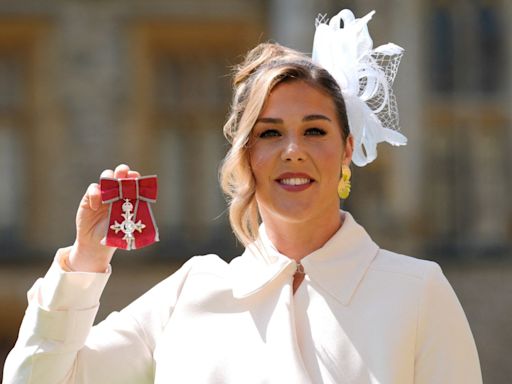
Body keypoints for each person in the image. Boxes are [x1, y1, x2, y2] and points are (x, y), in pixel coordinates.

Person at [4, 9, 481, 384]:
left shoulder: (418, 292)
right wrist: (84, 264)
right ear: (245, 156)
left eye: (314, 131)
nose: (293, 151)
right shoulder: (189, 293)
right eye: (270, 134)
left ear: (346, 150)